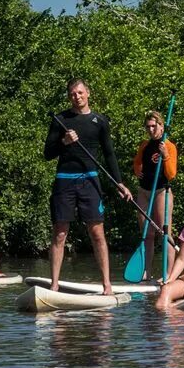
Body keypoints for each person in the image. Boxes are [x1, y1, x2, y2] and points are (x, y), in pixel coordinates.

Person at [44, 78, 134, 295]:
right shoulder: (60, 119)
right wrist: (63, 142)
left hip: (90, 180)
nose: (77, 96)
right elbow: (47, 153)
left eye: (80, 92)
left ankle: (107, 285)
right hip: (65, 179)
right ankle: (54, 284)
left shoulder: (100, 121)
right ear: (69, 97)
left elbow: (109, 154)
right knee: (60, 234)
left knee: (97, 232)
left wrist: (119, 183)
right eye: (73, 94)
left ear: (88, 93)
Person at [132, 110, 178, 279]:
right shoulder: (144, 145)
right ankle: (147, 272)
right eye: (148, 127)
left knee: (164, 232)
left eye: (154, 126)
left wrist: (165, 156)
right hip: (144, 191)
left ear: (161, 126)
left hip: (161, 191)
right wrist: (137, 170)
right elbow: (137, 162)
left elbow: (172, 174)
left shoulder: (169, 145)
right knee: (147, 233)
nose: (151, 130)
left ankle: (168, 273)